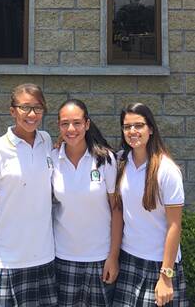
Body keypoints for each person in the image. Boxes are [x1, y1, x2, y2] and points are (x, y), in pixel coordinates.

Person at [0, 83, 57, 307]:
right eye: (25, 107)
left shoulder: (46, 141)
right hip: (6, 261)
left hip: (44, 258)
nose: (32, 114)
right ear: (12, 111)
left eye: (38, 108)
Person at [111, 103, 188, 307]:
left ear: (151, 129)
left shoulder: (167, 170)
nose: (132, 131)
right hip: (128, 259)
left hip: (159, 265)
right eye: (127, 127)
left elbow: (175, 226)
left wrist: (166, 276)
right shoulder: (119, 162)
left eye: (139, 125)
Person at [52, 99, 122, 306]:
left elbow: (116, 210)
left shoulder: (105, 160)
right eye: (65, 123)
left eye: (77, 123)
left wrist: (113, 257)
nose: (71, 129)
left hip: (100, 258)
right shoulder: (52, 158)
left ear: (87, 124)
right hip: (62, 256)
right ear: (58, 126)